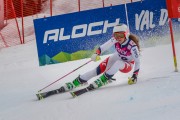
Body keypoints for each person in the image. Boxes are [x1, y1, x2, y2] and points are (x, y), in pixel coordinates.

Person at [63, 23, 140, 91]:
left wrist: (134, 76)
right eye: (116, 35)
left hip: (128, 64)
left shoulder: (132, 46)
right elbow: (103, 47)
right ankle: (78, 81)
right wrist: (96, 53)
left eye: (121, 35)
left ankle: (104, 79)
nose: (118, 38)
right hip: (119, 57)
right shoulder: (115, 40)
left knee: (118, 63)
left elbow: (137, 62)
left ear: (126, 34)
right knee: (97, 70)